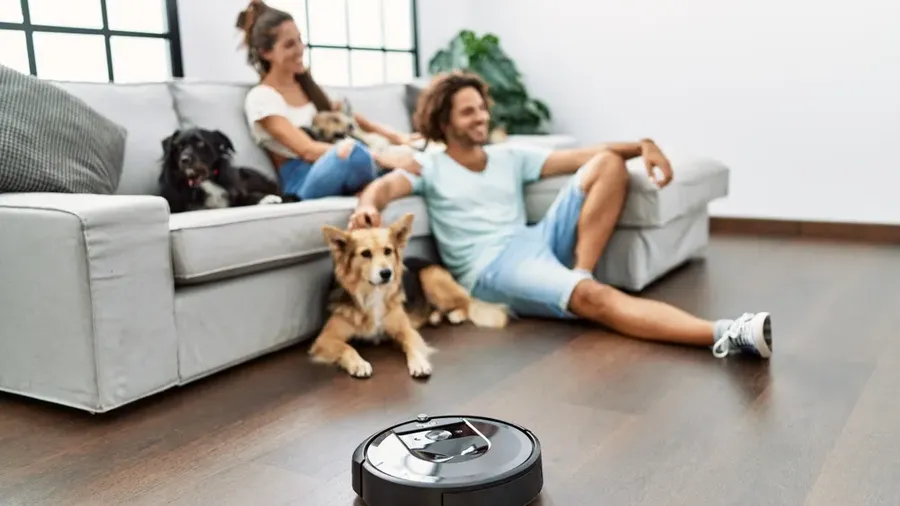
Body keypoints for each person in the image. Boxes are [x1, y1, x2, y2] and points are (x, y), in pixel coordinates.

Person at [347, 71, 773, 359]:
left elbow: (585, 156)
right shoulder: (429, 166)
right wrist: (368, 206)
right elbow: (385, 187)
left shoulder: (509, 156)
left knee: (608, 163)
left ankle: (580, 274)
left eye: (481, 107)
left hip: (533, 238)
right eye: (468, 111)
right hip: (491, 269)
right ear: (444, 121)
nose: (482, 117)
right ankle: (726, 334)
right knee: (597, 299)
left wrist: (643, 145)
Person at [235, 0, 417, 200]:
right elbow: (307, 150)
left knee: (418, 160)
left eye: (300, 40)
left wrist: (399, 137)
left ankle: (372, 187)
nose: (300, 49)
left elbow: (350, 118)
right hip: (302, 178)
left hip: (340, 157)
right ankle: (375, 182)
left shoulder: (308, 88)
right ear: (265, 53)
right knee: (355, 154)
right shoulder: (262, 97)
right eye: (289, 44)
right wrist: (381, 157)